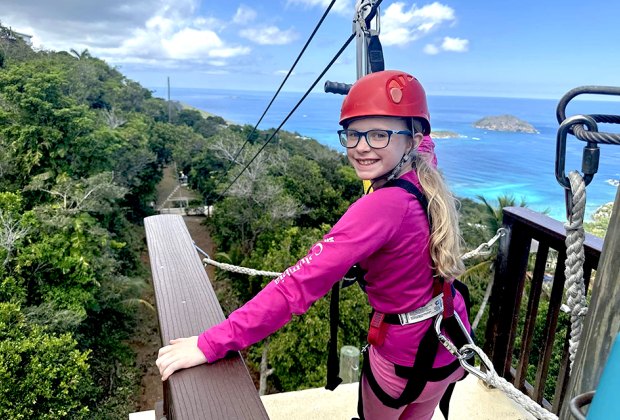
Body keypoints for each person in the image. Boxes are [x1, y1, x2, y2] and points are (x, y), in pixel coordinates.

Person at [156, 70, 470, 419]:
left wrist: (210, 342)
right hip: (449, 343)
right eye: (353, 134)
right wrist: (380, 105)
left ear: (410, 140)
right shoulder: (425, 175)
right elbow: (425, 140)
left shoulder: (380, 207)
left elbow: (295, 287)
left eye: (378, 134)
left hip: (402, 360)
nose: (362, 147)